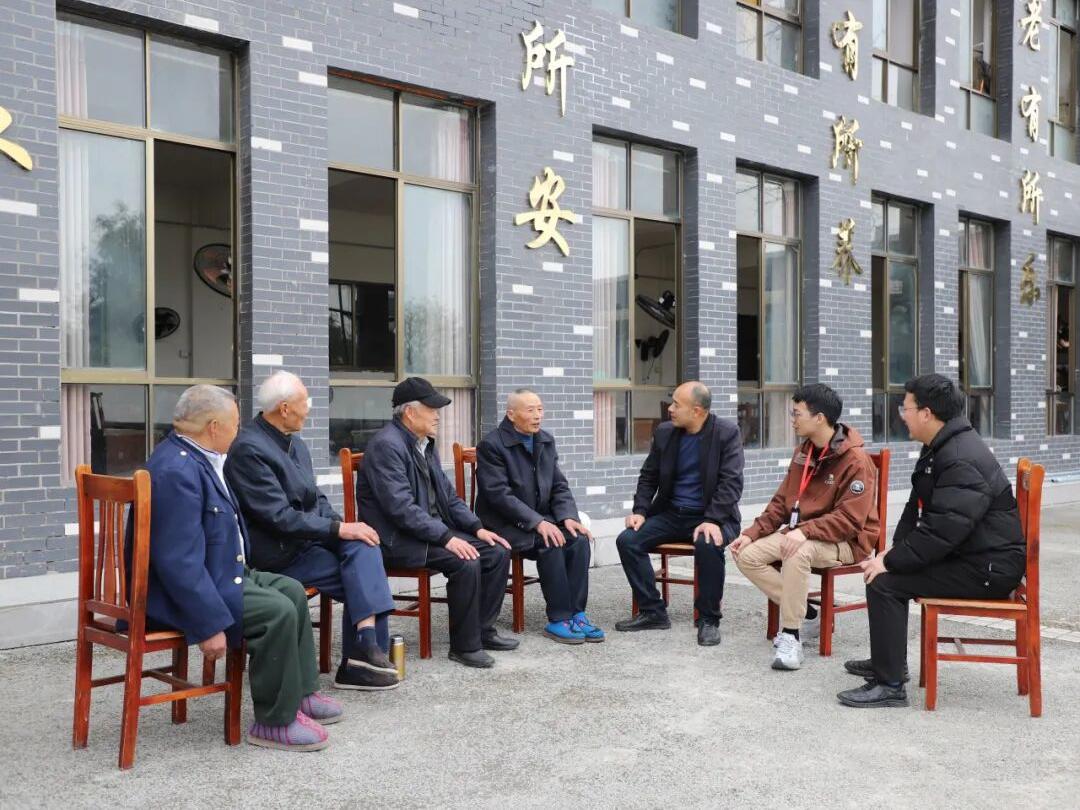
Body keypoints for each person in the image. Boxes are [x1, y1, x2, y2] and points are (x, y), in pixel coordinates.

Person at [139, 385, 341, 752]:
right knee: (277, 612)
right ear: (214, 427)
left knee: (292, 591)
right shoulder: (177, 471)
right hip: (187, 592)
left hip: (223, 572)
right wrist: (208, 623)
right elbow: (178, 562)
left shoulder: (199, 456)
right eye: (235, 424)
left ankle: (300, 693)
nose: (240, 431)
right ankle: (274, 722)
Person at [837, 374, 1025, 708]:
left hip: (988, 569)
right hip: (971, 556)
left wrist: (889, 563)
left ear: (926, 413)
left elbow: (942, 531)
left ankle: (890, 685)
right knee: (882, 572)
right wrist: (891, 552)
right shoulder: (940, 446)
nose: (902, 415)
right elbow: (916, 509)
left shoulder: (961, 456)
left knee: (884, 583)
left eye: (905, 408)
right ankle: (889, 663)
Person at [224, 372, 397, 692]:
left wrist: (344, 529)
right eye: (306, 402)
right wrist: (338, 529)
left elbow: (316, 499)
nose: (309, 409)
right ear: (285, 408)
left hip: (306, 542)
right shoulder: (249, 449)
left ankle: (365, 649)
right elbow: (278, 517)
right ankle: (362, 658)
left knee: (364, 546)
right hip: (278, 553)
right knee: (362, 573)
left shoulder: (296, 444)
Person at [358, 377, 516, 668]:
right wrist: (447, 538)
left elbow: (449, 497)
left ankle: (481, 630)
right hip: (396, 540)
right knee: (466, 561)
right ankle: (465, 646)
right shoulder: (386, 446)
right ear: (409, 412)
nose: (438, 415)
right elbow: (401, 509)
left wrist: (477, 528)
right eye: (431, 409)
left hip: (427, 533)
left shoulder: (423, 444)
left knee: (496, 550)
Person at [730, 384, 879, 671]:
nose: (792, 419)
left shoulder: (856, 461)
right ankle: (809, 615)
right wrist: (751, 534)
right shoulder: (804, 452)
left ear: (819, 418)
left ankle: (791, 637)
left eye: (797, 413)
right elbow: (781, 502)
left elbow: (850, 520)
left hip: (847, 541)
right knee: (746, 555)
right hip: (804, 533)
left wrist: (804, 532)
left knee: (796, 551)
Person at [613, 381, 744, 646]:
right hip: (672, 513)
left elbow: (731, 483)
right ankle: (653, 611)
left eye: (676, 404)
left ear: (697, 411)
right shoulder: (665, 433)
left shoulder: (726, 433)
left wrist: (712, 520)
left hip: (713, 516)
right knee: (627, 540)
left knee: (708, 544)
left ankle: (708, 619)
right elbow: (649, 475)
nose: (670, 409)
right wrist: (640, 511)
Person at [474, 388, 602, 644]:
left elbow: (559, 485)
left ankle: (577, 613)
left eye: (540, 409)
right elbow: (499, 495)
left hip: (539, 520)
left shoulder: (545, 440)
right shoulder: (492, 445)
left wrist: (568, 517)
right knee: (551, 541)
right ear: (511, 414)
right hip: (503, 523)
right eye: (530, 410)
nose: (537, 416)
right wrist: (538, 522)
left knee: (578, 539)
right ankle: (559, 618)